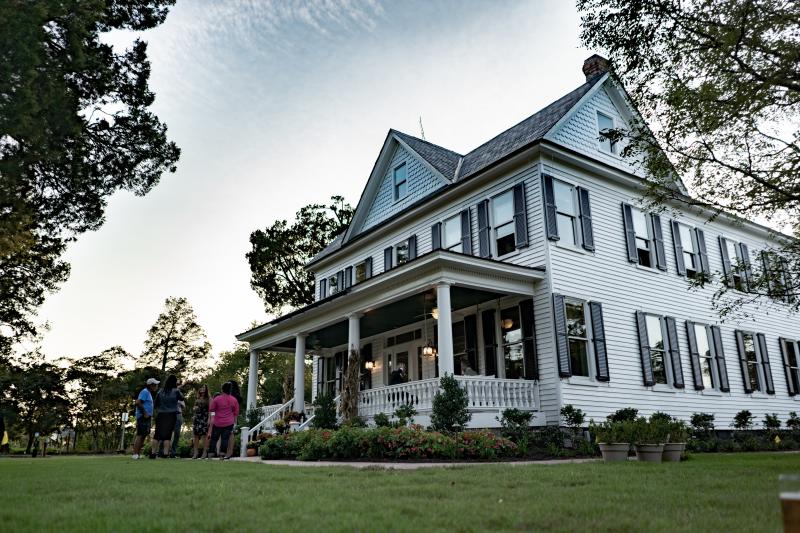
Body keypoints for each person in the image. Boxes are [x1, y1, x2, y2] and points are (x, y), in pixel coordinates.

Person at [150, 374, 184, 459]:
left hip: (161, 414)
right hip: (171, 414)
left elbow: (156, 404)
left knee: (157, 434)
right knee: (167, 435)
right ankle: (165, 454)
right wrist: (178, 388)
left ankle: (153, 453)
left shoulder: (160, 391)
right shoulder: (176, 391)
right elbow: (182, 398)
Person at [205, 381, 239, 460]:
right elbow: (235, 413)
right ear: (230, 390)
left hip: (217, 422)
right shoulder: (234, 400)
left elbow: (211, 409)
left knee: (214, 438)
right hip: (229, 422)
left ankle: (210, 455)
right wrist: (235, 423)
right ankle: (222, 455)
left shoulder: (217, 399)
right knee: (225, 439)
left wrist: (212, 417)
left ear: (222, 389)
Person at [132, 377, 159, 460]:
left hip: (146, 417)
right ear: (150, 385)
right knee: (140, 435)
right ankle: (135, 454)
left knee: (143, 435)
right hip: (143, 417)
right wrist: (145, 413)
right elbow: (138, 402)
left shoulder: (148, 393)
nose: (156, 386)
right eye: (154, 385)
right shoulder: (145, 392)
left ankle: (138, 454)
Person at [224, 381, 244, 459]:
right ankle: (226, 451)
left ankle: (230, 452)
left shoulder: (236, 397)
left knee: (230, 434)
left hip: (232, 417)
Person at [192, 384, 211, 459]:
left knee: (204, 436)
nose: (202, 389)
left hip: (205, 418)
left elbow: (210, 410)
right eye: (201, 388)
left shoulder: (209, 399)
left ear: (206, 389)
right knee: (195, 435)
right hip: (197, 418)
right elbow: (194, 408)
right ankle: (195, 452)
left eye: (203, 388)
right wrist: (194, 408)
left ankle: (204, 452)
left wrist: (209, 419)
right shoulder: (197, 398)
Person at [170, 382, 186, 458]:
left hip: (178, 414)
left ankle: (173, 452)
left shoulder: (179, 395)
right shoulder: (168, 393)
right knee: (167, 433)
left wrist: (178, 402)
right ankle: (162, 451)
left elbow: (183, 406)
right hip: (169, 415)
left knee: (176, 434)